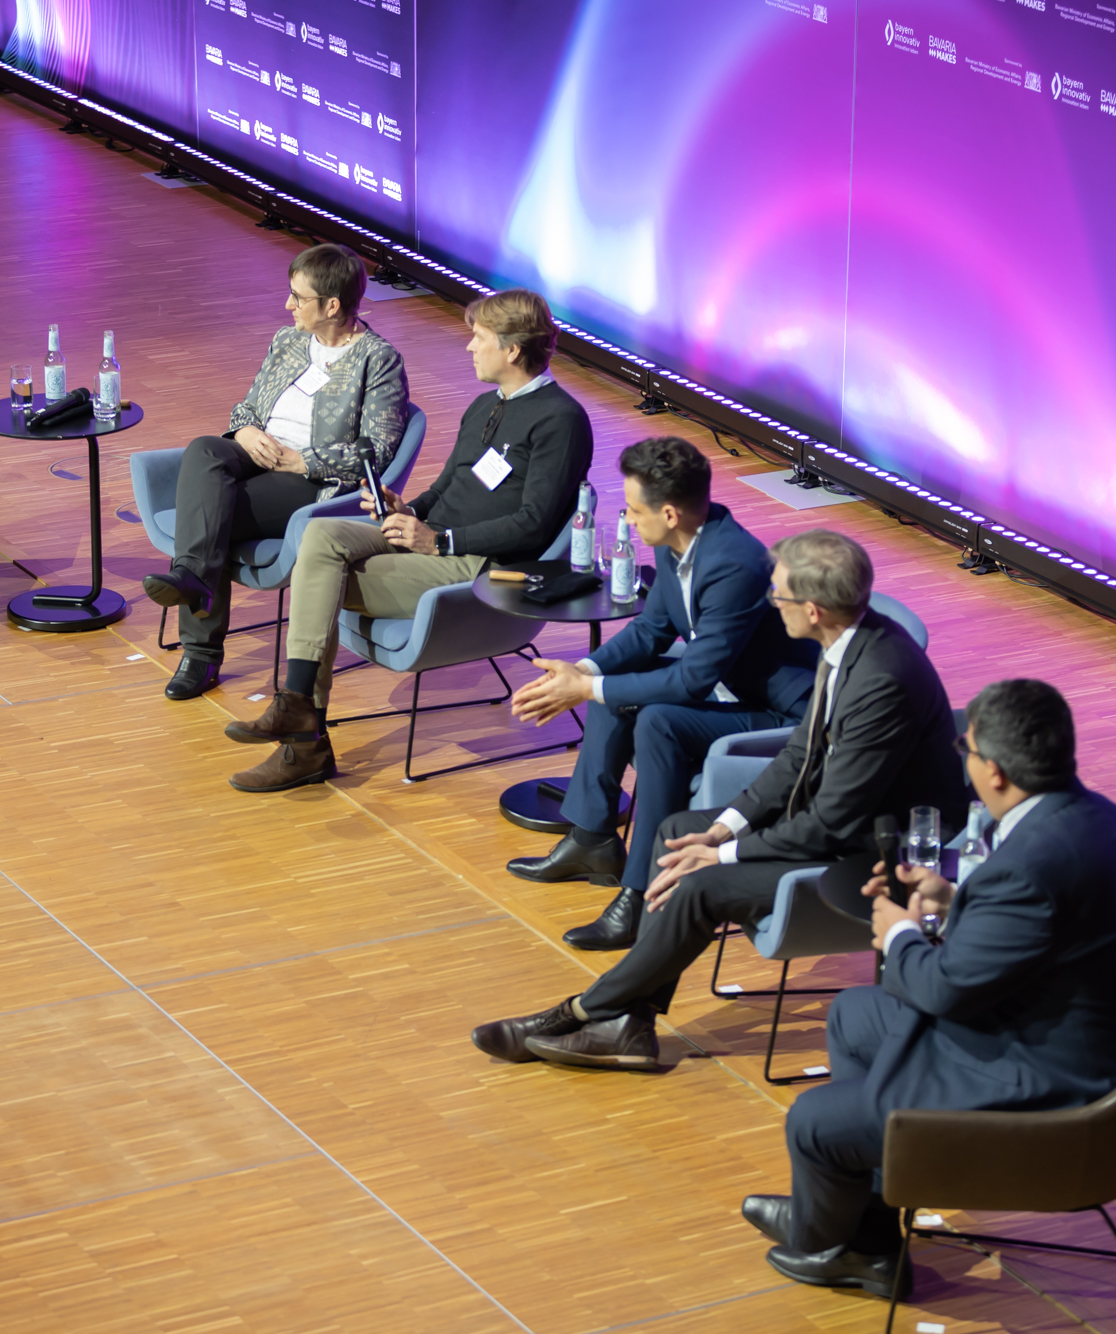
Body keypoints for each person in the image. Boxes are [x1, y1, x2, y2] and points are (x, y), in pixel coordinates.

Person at [470, 529, 966, 1069]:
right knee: (676, 832)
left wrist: (722, 855)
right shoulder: (847, 640)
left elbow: (829, 823)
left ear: (814, 610)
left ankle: (582, 1011)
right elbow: (798, 757)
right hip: (835, 820)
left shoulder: (880, 681)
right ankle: (629, 1024)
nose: (771, 602)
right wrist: (723, 827)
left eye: (778, 594)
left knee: (701, 884)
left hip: (877, 852)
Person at [741, 679, 1116, 1298]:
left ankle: (823, 1233)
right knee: (854, 1016)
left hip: (1042, 1080)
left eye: (967, 749)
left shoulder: (1029, 863)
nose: (963, 760)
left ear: (994, 771)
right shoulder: (1098, 819)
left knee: (813, 1121)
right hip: (1056, 1032)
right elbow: (1039, 927)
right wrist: (957, 899)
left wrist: (900, 934)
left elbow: (943, 991)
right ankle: (869, 1237)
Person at [222, 288, 593, 792]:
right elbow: (447, 486)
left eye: (479, 338)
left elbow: (535, 523)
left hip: (485, 567)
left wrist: (439, 540)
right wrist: (409, 510)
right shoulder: (485, 404)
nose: (469, 347)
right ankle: (298, 712)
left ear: (511, 349)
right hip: (436, 542)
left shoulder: (561, 420)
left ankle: (302, 730)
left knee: (322, 577)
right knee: (318, 534)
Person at [505, 436, 817, 952]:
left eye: (633, 510)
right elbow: (652, 630)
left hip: (780, 716)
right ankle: (592, 838)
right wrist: (582, 671)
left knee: (658, 719)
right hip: (728, 686)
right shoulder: (675, 542)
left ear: (669, 513)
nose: (628, 519)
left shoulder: (735, 564)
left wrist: (587, 688)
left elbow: (693, 681)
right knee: (621, 687)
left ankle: (644, 893)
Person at [143, 244, 409, 701]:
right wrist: (245, 430)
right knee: (205, 448)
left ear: (332, 305)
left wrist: (302, 461)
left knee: (210, 516)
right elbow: (248, 405)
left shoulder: (378, 360)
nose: (288, 305)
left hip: (310, 480)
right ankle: (193, 578)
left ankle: (200, 650)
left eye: (298, 297)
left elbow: (378, 452)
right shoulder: (287, 341)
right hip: (257, 452)